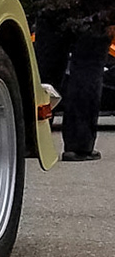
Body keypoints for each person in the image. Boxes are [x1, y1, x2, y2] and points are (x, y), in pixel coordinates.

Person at [34, 13, 109, 161]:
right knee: (87, 72)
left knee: (44, 73)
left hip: (53, 4)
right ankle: (78, 146)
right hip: (95, 8)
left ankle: (33, 139)